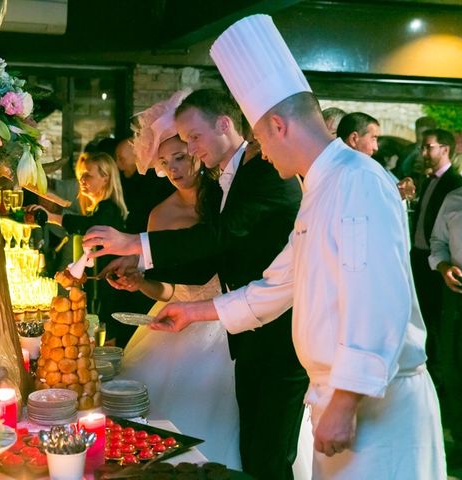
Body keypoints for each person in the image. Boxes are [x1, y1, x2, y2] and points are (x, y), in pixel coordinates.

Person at [146, 14, 445, 479]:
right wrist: (194, 312)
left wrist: (345, 400)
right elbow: (278, 283)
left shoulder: (358, 181)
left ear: (280, 126)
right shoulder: (319, 187)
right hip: (339, 397)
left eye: (262, 136)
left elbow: (378, 297)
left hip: (376, 405)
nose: (261, 151)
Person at [84, 88, 309, 480]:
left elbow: (222, 235)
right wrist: (143, 273)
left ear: (224, 124)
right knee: (253, 450)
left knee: (270, 457)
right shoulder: (226, 180)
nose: (189, 150)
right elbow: (208, 263)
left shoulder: (264, 171)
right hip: (247, 330)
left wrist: (135, 243)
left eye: (192, 139)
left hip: (279, 336)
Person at [112, 91, 241, 469]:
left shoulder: (225, 201)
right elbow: (169, 289)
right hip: (173, 317)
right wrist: (140, 282)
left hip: (224, 321)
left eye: (181, 158)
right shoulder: (159, 215)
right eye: (165, 163)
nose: (174, 169)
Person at [28, 151, 135, 346]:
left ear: (105, 178)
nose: (82, 181)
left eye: (88, 175)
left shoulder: (108, 209)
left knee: (106, 340)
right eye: (80, 176)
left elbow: (92, 226)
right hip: (105, 287)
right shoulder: (103, 207)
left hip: (109, 289)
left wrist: (53, 217)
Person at [410, 128, 462, 384]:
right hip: (432, 268)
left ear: (446, 149)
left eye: (428, 146)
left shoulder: (453, 183)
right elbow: (436, 237)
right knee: (432, 327)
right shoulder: (450, 193)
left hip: (439, 270)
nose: (423, 152)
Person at [429, 185, 462, 470]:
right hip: (457, 296)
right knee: (453, 369)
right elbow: (437, 242)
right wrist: (443, 267)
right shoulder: (454, 199)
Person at [114, 136, 175, 234]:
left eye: (121, 159)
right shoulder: (124, 181)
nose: (117, 165)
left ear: (137, 157)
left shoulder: (156, 183)